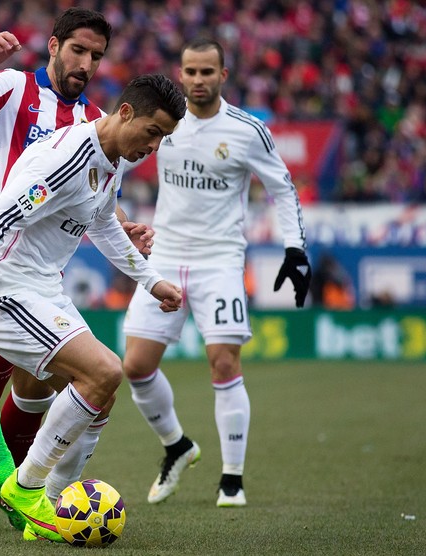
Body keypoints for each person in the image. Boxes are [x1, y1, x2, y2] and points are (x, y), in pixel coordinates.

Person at [0, 7, 154, 528]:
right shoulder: (10, 87)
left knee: (50, 390)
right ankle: (17, 475)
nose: (86, 63)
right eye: (78, 49)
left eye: (96, 56)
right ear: (53, 46)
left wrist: (127, 227)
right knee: (80, 379)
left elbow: (93, 202)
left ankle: (18, 488)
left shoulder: (94, 121)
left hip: (42, 276)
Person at [0, 73, 186, 542]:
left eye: (164, 139)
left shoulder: (111, 159)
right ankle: (26, 487)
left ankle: (48, 509)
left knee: (100, 400)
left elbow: (103, 225)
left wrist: (150, 280)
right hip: (4, 286)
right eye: (153, 132)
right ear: (124, 113)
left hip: (41, 288)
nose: (153, 147)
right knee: (105, 372)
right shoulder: (69, 156)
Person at [121, 39, 311, 509]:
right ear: (180, 74)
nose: (198, 79)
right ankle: (177, 446)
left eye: (208, 71)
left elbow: (282, 189)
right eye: (191, 71)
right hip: (163, 258)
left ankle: (232, 479)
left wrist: (295, 249)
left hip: (220, 261)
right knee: (135, 367)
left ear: (223, 75)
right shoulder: (163, 125)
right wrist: (121, 220)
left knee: (224, 363)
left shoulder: (247, 130)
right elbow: (113, 161)